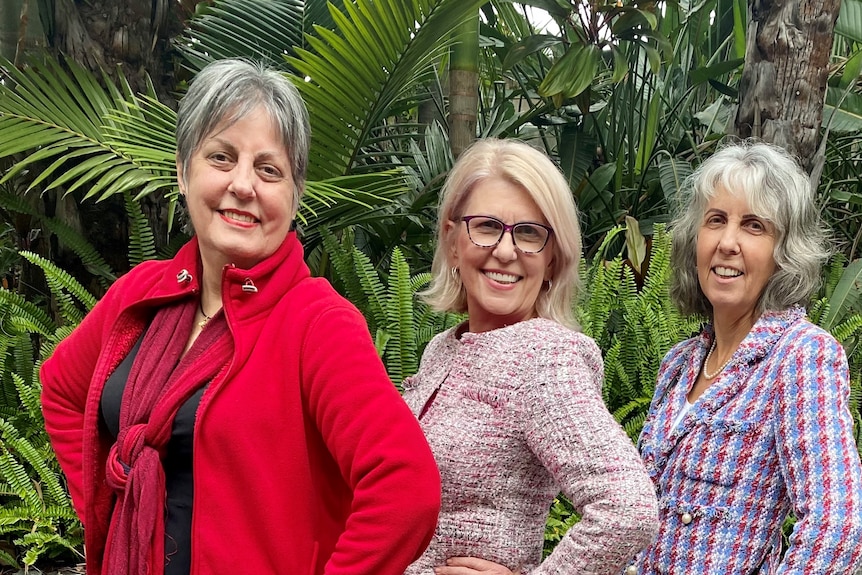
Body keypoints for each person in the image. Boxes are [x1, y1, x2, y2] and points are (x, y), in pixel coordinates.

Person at [40, 58, 441, 575]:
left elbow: (405, 490)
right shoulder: (142, 294)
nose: (243, 185)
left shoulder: (317, 324)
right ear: (184, 173)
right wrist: (106, 511)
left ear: (294, 198)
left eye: (269, 169)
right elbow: (61, 389)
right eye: (222, 157)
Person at [402, 138, 659, 575]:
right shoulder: (442, 350)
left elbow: (627, 509)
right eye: (486, 226)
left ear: (553, 257)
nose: (506, 251)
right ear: (451, 241)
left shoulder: (543, 358)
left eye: (529, 233)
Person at [625, 141, 862, 574]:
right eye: (716, 220)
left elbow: (837, 527)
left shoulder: (800, 356)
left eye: (754, 226)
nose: (728, 242)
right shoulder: (680, 363)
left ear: (784, 253)